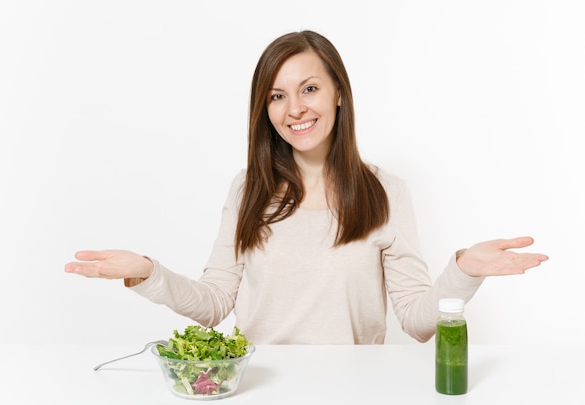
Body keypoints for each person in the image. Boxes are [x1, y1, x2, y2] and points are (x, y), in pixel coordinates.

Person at [64, 30, 548, 344]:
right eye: (277, 96)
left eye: (309, 88)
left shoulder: (386, 192)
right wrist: (147, 272)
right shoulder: (248, 189)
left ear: (339, 92)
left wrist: (463, 271)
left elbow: (418, 323)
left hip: (355, 395)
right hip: (259, 390)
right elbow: (214, 303)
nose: (294, 108)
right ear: (265, 110)